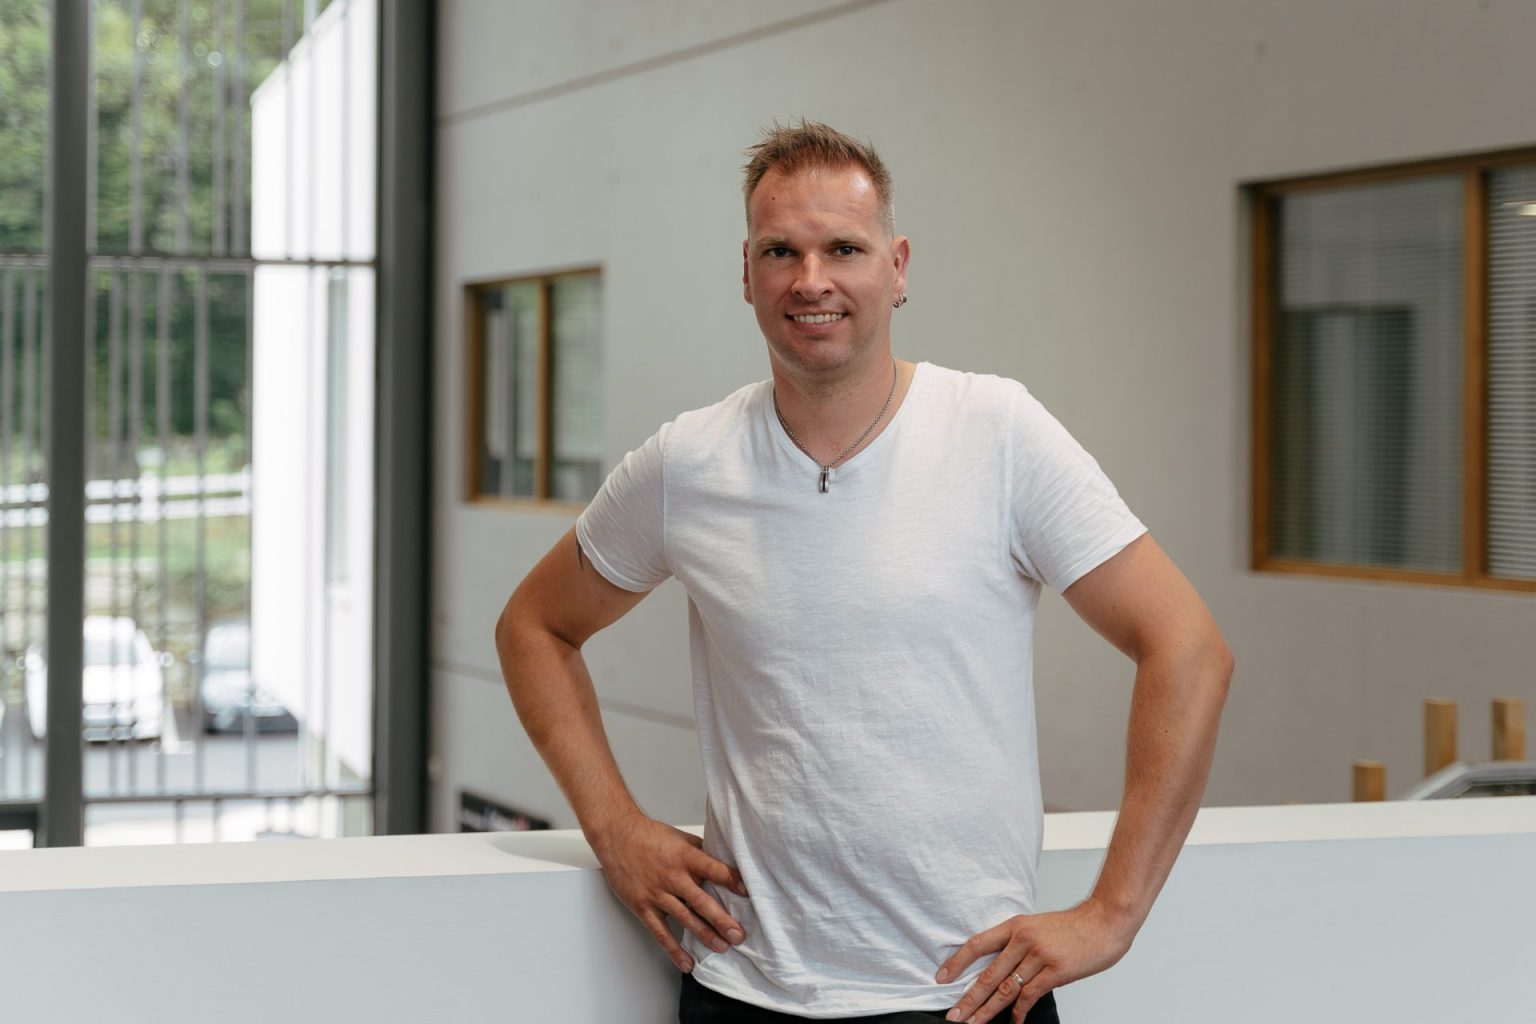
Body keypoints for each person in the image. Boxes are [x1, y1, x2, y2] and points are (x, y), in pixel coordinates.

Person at [495, 121, 1232, 1024]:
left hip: (970, 996)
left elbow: (1187, 648)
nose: (812, 281)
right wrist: (614, 827)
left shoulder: (996, 431)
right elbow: (533, 627)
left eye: (844, 247)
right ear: (747, 273)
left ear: (897, 266)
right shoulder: (689, 463)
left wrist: (1114, 915)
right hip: (744, 992)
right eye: (781, 252)